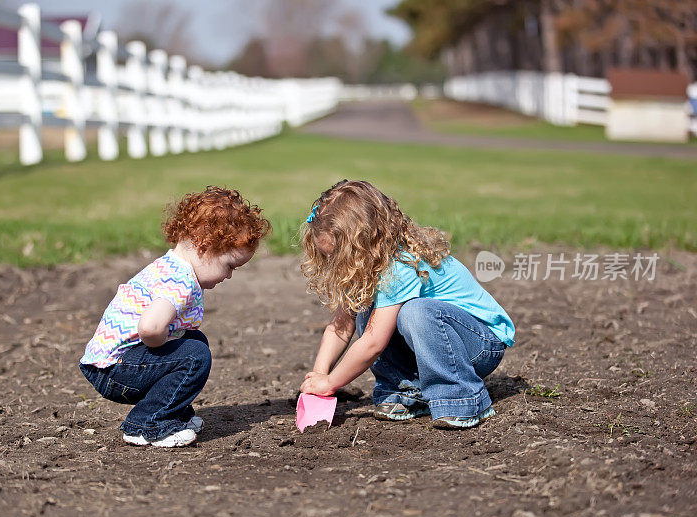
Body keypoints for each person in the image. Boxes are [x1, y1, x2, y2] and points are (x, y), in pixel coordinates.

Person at [299, 180, 514, 429]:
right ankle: (408, 393)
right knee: (365, 310)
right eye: (328, 256)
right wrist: (319, 376)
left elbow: (373, 344)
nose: (334, 262)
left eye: (339, 255)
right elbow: (340, 326)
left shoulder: (400, 266)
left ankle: (462, 397)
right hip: (436, 346)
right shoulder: (363, 266)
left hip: (481, 346)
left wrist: (331, 382)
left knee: (414, 312)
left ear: (364, 244)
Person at [80, 186, 270, 447]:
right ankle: (147, 423)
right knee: (195, 355)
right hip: (114, 370)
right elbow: (150, 327)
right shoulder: (180, 282)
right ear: (205, 247)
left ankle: (175, 413)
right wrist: (159, 345)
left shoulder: (169, 266)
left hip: (108, 363)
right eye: (229, 265)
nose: (229, 276)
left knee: (193, 341)